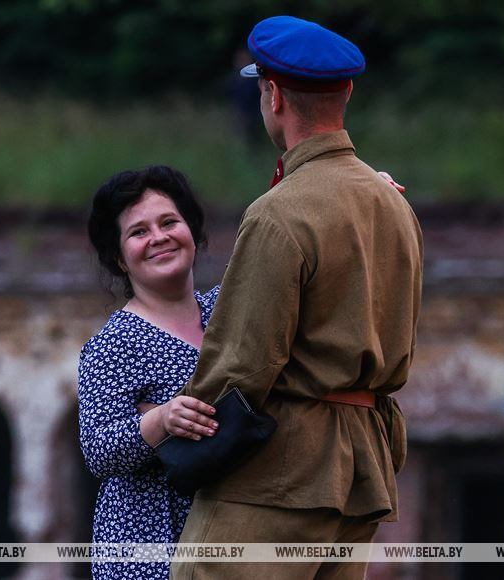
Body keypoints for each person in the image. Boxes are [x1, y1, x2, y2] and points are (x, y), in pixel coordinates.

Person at [172, 16, 423, 580]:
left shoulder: (280, 212)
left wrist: (184, 444)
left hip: (277, 478)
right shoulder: (395, 204)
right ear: (348, 93)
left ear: (273, 96)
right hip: (360, 472)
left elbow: (242, 365)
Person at [79, 165, 220, 580]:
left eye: (169, 222)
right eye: (138, 232)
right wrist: (161, 420)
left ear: (192, 231)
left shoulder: (225, 312)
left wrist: (355, 195)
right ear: (120, 259)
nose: (159, 237)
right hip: (149, 549)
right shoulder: (114, 343)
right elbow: (98, 449)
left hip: (224, 534)